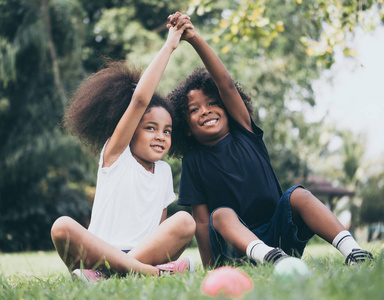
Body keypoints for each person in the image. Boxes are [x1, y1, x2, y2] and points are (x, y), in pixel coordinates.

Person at [167, 12, 374, 268]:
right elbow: (200, 221)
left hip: (280, 236)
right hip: (239, 250)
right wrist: (210, 270)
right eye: (194, 109)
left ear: (227, 108)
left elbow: (226, 85)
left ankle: (353, 251)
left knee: (297, 194)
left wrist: (195, 39)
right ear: (185, 127)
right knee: (220, 214)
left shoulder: (245, 132)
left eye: (212, 103)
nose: (206, 110)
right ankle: (267, 256)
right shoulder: (193, 161)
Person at [51, 15, 196, 282]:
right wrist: (170, 46)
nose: (161, 136)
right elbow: (140, 99)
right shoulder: (116, 155)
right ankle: (150, 274)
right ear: (130, 132)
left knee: (185, 221)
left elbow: (159, 230)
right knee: (62, 227)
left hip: (143, 252)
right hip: (97, 254)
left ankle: (109, 275)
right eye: (150, 128)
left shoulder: (163, 172)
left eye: (167, 131)